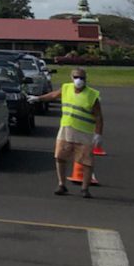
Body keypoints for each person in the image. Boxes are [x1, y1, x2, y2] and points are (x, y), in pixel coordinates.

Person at [28, 68, 103, 198]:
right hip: (66, 129)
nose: (79, 80)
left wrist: (98, 134)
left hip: (84, 132)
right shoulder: (66, 88)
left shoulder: (92, 95)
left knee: (86, 161)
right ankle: (62, 184)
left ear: (86, 79)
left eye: (82, 78)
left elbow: (98, 117)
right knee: (60, 156)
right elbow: (53, 95)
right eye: (76, 77)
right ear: (71, 77)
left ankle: (85, 188)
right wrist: (38, 98)